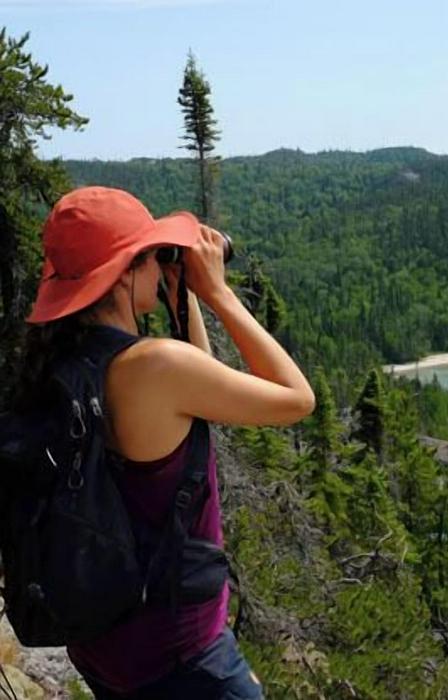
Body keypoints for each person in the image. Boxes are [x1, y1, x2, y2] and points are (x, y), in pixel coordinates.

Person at [12, 186, 315, 699]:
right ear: (123, 272)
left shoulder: (60, 365)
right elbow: (296, 399)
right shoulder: (155, 366)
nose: (160, 264)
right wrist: (218, 293)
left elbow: (201, 392)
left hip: (106, 651)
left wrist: (183, 297)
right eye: (151, 255)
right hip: (185, 659)